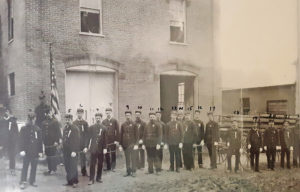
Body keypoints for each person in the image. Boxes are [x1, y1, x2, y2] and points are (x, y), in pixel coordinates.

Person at [19, 110, 43, 189]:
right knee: (25, 167)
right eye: (30, 119)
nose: (32, 120)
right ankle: (23, 181)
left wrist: (40, 151)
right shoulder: (23, 129)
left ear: (35, 119)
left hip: (35, 152)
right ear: (28, 119)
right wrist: (21, 150)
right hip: (26, 152)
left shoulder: (37, 129)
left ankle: (32, 181)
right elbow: (20, 140)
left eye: (33, 118)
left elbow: (40, 141)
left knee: (34, 167)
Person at [85, 112, 107, 185]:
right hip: (93, 149)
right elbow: (88, 138)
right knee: (92, 164)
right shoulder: (91, 127)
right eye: (96, 118)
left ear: (101, 118)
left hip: (101, 149)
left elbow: (105, 139)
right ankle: (91, 179)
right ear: (95, 118)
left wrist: (105, 148)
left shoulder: (104, 128)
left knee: (100, 164)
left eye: (99, 118)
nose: (98, 119)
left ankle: (99, 178)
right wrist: (86, 146)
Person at [41, 106, 62, 175]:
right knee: (48, 155)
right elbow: (43, 132)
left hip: (53, 141)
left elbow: (58, 132)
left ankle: (54, 169)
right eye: (46, 113)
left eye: (49, 113)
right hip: (46, 142)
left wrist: (57, 141)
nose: (48, 114)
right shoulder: (43, 122)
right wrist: (43, 141)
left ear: (51, 113)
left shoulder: (55, 121)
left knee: (53, 155)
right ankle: (50, 169)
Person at [62, 111, 80, 188]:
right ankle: (69, 181)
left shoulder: (75, 128)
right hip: (66, 151)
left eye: (68, 120)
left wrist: (74, 151)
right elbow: (64, 139)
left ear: (71, 120)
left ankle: (75, 181)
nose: (67, 121)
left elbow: (77, 141)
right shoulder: (65, 128)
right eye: (66, 120)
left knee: (73, 166)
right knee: (67, 166)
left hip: (73, 151)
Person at [120, 111, 138, 177]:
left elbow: (137, 135)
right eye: (126, 115)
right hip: (125, 145)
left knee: (133, 158)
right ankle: (128, 171)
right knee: (127, 159)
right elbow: (121, 135)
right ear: (125, 116)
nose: (127, 116)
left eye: (129, 115)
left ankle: (134, 171)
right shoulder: (123, 124)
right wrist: (120, 145)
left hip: (132, 144)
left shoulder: (134, 124)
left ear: (131, 116)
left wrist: (136, 144)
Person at [73, 107, 89, 176]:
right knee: (74, 158)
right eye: (78, 113)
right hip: (76, 143)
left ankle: (84, 171)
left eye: (81, 113)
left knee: (83, 158)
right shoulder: (74, 123)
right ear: (77, 113)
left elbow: (87, 135)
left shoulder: (85, 123)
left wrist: (86, 146)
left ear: (82, 114)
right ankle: (74, 172)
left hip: (82, 144)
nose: (79, 114)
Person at [6, 110, 19, 175]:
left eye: (7, 112)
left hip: (13, 142)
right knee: (10, 155)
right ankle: (11, 168)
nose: (6, 114)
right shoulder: (7, 121)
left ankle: (12, 169)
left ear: (10, 113)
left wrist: (16, 141)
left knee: (12, 156)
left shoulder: (13, 122)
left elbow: (16, 133)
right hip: (8, 141)